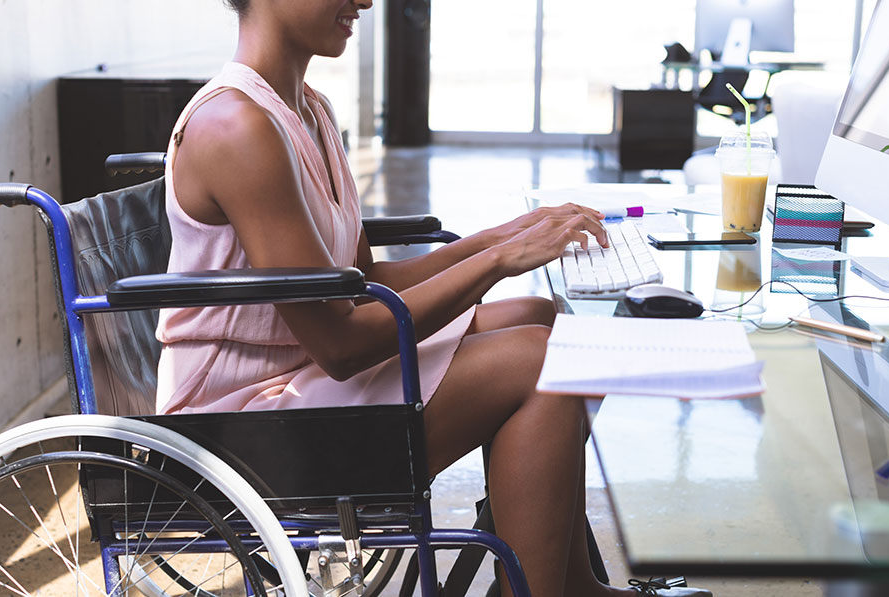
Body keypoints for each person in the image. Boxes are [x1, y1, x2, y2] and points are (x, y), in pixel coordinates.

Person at [155, 1, 705, 596]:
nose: (366, 0)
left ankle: (567, 583)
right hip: (243, 428)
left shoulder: (307, 109)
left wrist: (505, 236)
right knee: (544, 359)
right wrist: (496, 262)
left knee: (543, 319)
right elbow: (340, 343)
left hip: (299, 383)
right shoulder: (237, 127)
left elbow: (363, 279)